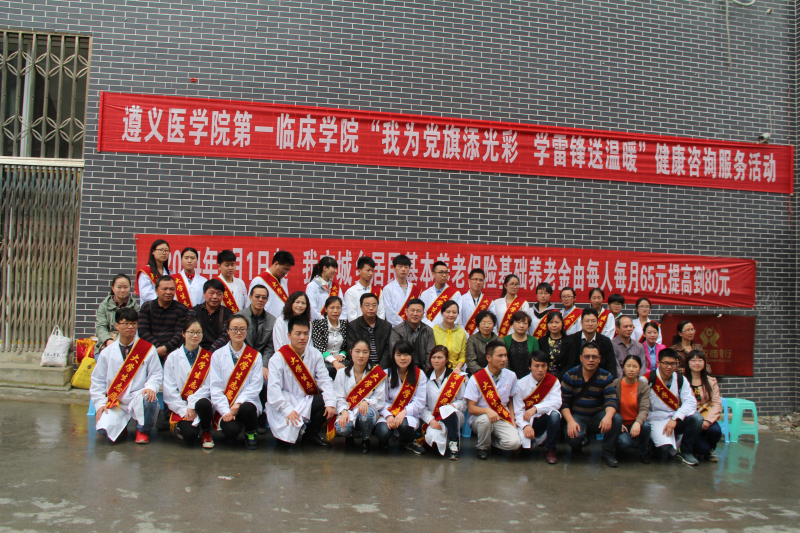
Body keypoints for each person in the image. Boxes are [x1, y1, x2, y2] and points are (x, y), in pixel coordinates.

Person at [90, 308, 162, 444]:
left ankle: (142, 430)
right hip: (116, 400)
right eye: (126, 323)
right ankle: (121, 427)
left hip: (138, 396)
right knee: (103, 431)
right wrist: (100, 404)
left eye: (133, 323)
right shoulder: (107, 352)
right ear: (117, 325)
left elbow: (156, 373)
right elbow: (98, 381)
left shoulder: (147, 349)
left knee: (150, 399)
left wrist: (151, 387)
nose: (130, 327)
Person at [267, 316, 337, 447]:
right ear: (289, 335)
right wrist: (286, 409)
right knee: (284, 444)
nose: (302, 337)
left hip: (305, 400)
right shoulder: (278, 358)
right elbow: (273, 389)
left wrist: (331, 403)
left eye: (305, 333)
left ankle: (310, 435)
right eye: (297, 334)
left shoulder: (314, 354)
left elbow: (324, 380)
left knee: (327, 400)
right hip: (285, 402)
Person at [560, 342, 622, 467]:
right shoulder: (570, 375)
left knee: (616, 418)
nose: (591, 360)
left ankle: (608, 453)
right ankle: (576, 448)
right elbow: (563, 402)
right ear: (581, 358)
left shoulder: (606, 376)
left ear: (599, 359)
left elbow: (611, 400)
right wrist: (570, 421)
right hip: (577, 415)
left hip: (597, 416)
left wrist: (608, 416)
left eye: (594, 357)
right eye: (587, 356)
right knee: (573, 435)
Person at [209, 315, 263, 450]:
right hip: (226, 405)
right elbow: (215, 387)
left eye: (242, 329)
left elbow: (255, 385)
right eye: (234, 329)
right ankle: (235, 427)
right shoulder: (217, 355)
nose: (238, 332)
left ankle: (251, 433)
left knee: (247, 408)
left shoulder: (255, 356)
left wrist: (238, 403)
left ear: (247, 331)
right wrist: (225, 411)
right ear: (228, 331)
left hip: (245, 404)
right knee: (231, 432)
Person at [162, 319, 215, 448]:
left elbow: (208, 387)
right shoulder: (172, 357)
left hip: (200, 404)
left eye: (198, 332)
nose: (195, 335)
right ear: (183, 334)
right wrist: (184, 409)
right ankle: (182, 428)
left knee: (204, 403)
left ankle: (206, 433)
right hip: (181, 405)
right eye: (191, 332)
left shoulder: (209, 357)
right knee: (190, 435)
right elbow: (169, 388)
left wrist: (192, 404)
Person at [645, 348, 703, 466]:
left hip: (674, 418)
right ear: (659, 363)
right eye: (666, 363)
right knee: (665, 449)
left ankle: (686, 451)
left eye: (673, 364)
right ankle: (653, 445)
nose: (669, 367)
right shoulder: (647, 379)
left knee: (697, 418)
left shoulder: (681, 379)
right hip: (655, 419)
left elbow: (691, 402)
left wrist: (675, 418)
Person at [465, 340, 521, 459]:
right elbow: (471, 409)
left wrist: (512, 418)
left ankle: (494, 443)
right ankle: (482, 447)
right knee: (485, 420)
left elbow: (510, 400)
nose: (504, 359)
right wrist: (487, 411)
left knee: (514, 443)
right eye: (500, 356)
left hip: (501, 416)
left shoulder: (511, 375)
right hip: (481, 418)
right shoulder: (476, 378)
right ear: (489, 358)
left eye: (505, 355)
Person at [333, 338, 387, 453]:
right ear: (351, 352)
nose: (361, 355)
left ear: (369, 353)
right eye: (357, 351)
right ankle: (349, 436)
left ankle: (366, 439)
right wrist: (344, 411)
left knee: (366, 414)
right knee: (342, 428)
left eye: (365, 352)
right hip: (348, 410)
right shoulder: (342, 373)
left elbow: (379, 398)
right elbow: (338, 397)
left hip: (367, 411)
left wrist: (366, 401)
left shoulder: (377, 373)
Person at [375, 340, 428, 454]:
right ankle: (385, 440)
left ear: (412, 356)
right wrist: (389, 416)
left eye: (406, 354)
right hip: (388, 411)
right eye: (398, 355)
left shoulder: (419, 375)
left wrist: (404, 412)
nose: (402, 358)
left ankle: (410, 441)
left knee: (404, 425)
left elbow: (420, 402)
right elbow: (381, 400)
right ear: (393, 356)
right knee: (382, 432)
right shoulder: (386, 374)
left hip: (408, 414)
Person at [238, 284, 276, 434]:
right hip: (242, 362)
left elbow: (269, 347)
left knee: (266, 382)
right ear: (250, 297)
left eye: (264, 297)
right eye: (257, 296)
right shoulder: (239, 317)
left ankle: (261, 418)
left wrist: (264, 365)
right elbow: (237, 344)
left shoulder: (272, 320)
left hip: (261, 362)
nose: (260, 300)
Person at [513, 350, 562, 464]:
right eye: (537, 366)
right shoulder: (521, 384)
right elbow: (518, 411)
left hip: (544, 419)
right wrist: (525, 426)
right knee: (523, 450)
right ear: (530, 367)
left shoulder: (553, 382)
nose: (540, 369)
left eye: (543, 366)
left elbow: (557, 402)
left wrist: (536, 408)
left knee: (555, 415)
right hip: (527, 421)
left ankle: (550, 450)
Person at [421, 346, 467, 460]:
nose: (436, 360)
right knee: (433, 438)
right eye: (434, 357)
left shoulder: (456, 378)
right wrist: (430, 420)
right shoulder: (425, 378)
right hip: (435, 418)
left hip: (454, 416)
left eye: (440, 358)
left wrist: (454, 405)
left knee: (448, 409)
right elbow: (423, 405)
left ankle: (454, 442)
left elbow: (463, 402)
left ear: (447, 360)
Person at [137, 275, 188, 364]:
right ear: (156, 290)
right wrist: (158, 348)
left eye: (171, 289)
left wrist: (166, 348)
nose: (168, 292)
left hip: (173, 354)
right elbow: (143, 331)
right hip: (150, 352)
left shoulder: (182, 309)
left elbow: (180, 334)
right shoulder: (147, 307)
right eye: (164, 289)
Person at [613, 354, 652, 464]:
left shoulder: (644, 387)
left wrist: (638, 423)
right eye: (628, 366)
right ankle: (619, 450)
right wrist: (618, 423)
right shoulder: (615, 384)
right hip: (621, 423)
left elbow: (644, 409)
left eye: (635, 366)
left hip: (636, 422)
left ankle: (643, 452)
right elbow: (610, 406)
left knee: (646, 426)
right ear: (623, 367)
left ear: (639, 369)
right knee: (624, 443)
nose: (631, 369)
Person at [685, 351, 722, 462]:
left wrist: (707, 421)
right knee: (702, 449)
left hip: (706, 415)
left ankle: (711, 449)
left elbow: (717, 403)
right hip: (690, 419)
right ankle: (694, 448)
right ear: (688, 363)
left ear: (704, 363)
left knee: (715, 431)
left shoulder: (711, 381)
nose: (697, 363)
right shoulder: (682, 380)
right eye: (693, 360)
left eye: (700, 360)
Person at [95, 274, 140, 357]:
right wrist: (108, 341)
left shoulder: (135, 307)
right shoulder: (104, 306)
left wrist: (119, 342)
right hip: (105, 345)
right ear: (113, 288)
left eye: (125, 287)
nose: (122, 290)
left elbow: (136, 327)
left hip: (128, 344)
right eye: (119, 287)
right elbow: (100, 327)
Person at [566, 308, 617, 377]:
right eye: (587, 321)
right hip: (576, 378)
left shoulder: (606, 341)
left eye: (593, 321)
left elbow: (611, 365)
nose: (590, 324)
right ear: (581, 323)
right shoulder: (571, 340)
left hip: (600, 378)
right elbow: (568, 365)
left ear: (597, 323)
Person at [187, 279, 235, 352]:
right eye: (211, 293)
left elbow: (225, 335)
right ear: (204, 294)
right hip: (196, 350)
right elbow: (190, 332)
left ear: (223, 295)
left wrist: (210, 352)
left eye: (218, 294)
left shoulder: (228, 313)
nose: (215, 297)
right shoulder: (194, 311)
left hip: (219, 352)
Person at [347, 293, 392, 368]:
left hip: (382, 367)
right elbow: (351, 350)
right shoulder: (352, 326)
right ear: (361, 307)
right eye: (367, 305)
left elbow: (388, 350)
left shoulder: (386, 326)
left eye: (374, 305)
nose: (371, 308)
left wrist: (380, 368)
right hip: (361, 366)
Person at [389, 298, 435, 369]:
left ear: (423, 314)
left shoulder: (428, 331)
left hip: (423, 370)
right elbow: (395, 354)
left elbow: (430, 354)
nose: (415, 314)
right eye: (412, 310)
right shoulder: (397, 331)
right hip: (403, 369)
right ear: (406, 312)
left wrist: (427, 372)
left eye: (418, 311)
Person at [248, 250, 295, 319]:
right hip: (264, 321)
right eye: (285, 269)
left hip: (281, 321)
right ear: (276, 264)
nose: (286, 273)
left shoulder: (283, 281)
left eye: (288, 270)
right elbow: (250, 304)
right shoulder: (259, 280)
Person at [312, 296, 349, 379]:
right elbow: (319, 347)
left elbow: (347, 346)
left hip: (341, 360)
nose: (335, 311)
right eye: (332, 308)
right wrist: (333, 360)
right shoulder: (318, 324)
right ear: (326, 309)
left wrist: (341, 355)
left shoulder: (344, 325)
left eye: (338, 308)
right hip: (323, 361)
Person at [382, 254, 422, 327]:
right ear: (394, 268)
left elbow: (420, 310)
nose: (403, 269)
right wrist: (404, 326)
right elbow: (389, 313)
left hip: (414, 327)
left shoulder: (415, 289)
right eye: (400, 266)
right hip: (395, 328)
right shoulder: (388, 289)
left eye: (406, 267)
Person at [420, 261, 462, 327]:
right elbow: (422, 315)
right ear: (433, 274)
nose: (444, 275)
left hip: (448, 330)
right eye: (441, 272)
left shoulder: (455, 294)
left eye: (446, 272)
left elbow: (457, 316)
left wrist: (443, 328)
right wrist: (433, 328)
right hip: (429, 330)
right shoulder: (425, 294)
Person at [344, 256, 385, 322]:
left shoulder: (378, 291)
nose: (371, 273)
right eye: (368, 270)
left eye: (372, 271)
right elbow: (352, 316)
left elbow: (381, 313)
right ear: (359, 271)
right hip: (357, 327)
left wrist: (377, 327)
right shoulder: (351, 292)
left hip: (376, 327)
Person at [306, 256, 347, 321]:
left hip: (335, 325)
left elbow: (343, 308)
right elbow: (312, 309)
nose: (336, 271)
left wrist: (340, 323)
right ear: (325, 268)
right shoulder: (312, 286)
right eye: (334, 268)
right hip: (318, 324)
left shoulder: (336, 287)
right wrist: (325, 323)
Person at [432, 301, 467, 373]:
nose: (451, 315)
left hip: (455, 370)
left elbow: (462, 356)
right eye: (448, 312)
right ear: (442, 313)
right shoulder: (434, 331)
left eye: (454, 312)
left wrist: (457, 368)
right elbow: (431, 354)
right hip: (438, 369)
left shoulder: (461, 332)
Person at [538, 310, 575, 379]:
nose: (554, 325)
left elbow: (571, 364)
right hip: (545, 378)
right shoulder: (541, 341)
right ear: (547, 324)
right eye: (551, 322)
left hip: (564, 379)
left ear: (562, 323)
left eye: (557, 322)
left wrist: (558, 378)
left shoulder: (569, 342)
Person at [503, 311, 539, 379]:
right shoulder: (505, 340)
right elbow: (503, 361)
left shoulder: (533, 340)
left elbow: (536, 360)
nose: (521, 326)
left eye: (525, 323)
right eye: (518, 322)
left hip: (529, 378)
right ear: (512, 324)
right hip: (509, 377)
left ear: (528, 325)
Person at [137, 239, 171, 305]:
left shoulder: (170, 273)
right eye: (161, 250)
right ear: (153, 251)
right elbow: (146, 294)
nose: (164, 253)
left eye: (166, 250)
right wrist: (164, 300)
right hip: (151, 307)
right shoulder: (145, 272)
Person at [465, 310, 499, 375]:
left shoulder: (499, 340)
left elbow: (503, 360)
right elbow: (471, 361)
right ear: (478, 326)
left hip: (495, 374)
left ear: (494, 325)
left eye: (489, 323)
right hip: (476, 373)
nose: (486, 326)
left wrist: (495, 373)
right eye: (483, 323)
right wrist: (483, 374)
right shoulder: (472, 339)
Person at [459, 268, 491, 335]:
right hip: (465, 337)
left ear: (483, 282)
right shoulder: (461, 300)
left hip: (484, 337)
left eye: (481, 280)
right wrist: (466, 336)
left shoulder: (489, 302)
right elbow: (458, 322)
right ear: (469, 281)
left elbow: (493, 323)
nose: (478, 282)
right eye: (475, 279)